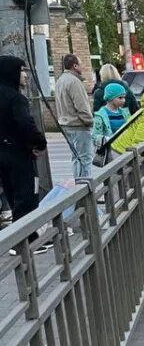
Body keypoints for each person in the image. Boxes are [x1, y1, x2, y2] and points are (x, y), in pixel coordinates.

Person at [0, 55, 50, 252]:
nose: (25, 76)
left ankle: (30, 236)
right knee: (26, 195)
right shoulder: (15, 98)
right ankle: (23, 241)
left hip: (2, 153)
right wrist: (39, 142)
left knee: (13, 195)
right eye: (22, 71)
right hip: (19, 153)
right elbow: (25, 123)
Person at [53, 54, 93, 178]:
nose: (83, 66)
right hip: (78, 125)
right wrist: (90, 121)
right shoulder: (74, 82)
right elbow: (81, 106)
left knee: (76, 158)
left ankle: (79, 185)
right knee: (84, 159)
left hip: (66, 124)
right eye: (81, 64)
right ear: (75, 66)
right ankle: (85, 187)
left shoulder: (60, 80)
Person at [91, 82, 131, 148]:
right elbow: (96, 135)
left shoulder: (125, 113)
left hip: (125, 146)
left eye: (124, 97)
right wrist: (105, 139)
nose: (124, 100)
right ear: (111, 98)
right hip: (111, 149)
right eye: (120, 98)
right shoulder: (100, 115)